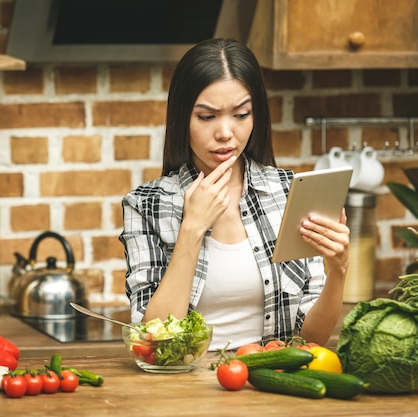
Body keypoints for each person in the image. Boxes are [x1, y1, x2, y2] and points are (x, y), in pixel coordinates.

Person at [119, 38, 350, 350]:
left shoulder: (288, 192)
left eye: (241, 114)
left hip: (269, 384)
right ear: (181, 118)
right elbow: (155, 343)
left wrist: (338, 271)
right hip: (184, 390)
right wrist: (191, 229)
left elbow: (310, 340)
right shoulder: (146, 205)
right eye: (206, 116)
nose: (225, 132)